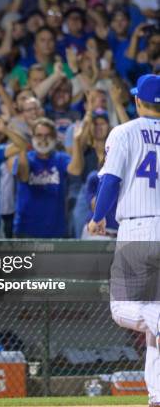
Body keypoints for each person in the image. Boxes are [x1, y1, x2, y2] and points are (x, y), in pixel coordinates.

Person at [87, 74, 160, 405]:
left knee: (122, 309)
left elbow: (111, 179)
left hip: (139, 229)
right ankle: (157, 395)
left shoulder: (125, 131)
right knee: (152, 328)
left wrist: (98, 216)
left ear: (137, 101)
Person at [13, 118, 74, 238]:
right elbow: (24, 177)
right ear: (33, 137)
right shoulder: (25, 158)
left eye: (48, 135)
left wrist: (76, 140)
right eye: (39, 135)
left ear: (55, 137)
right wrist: (22, 149)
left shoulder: (62, 158)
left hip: (56, 230)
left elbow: (76, 170)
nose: (43, 139)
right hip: (25, 229)